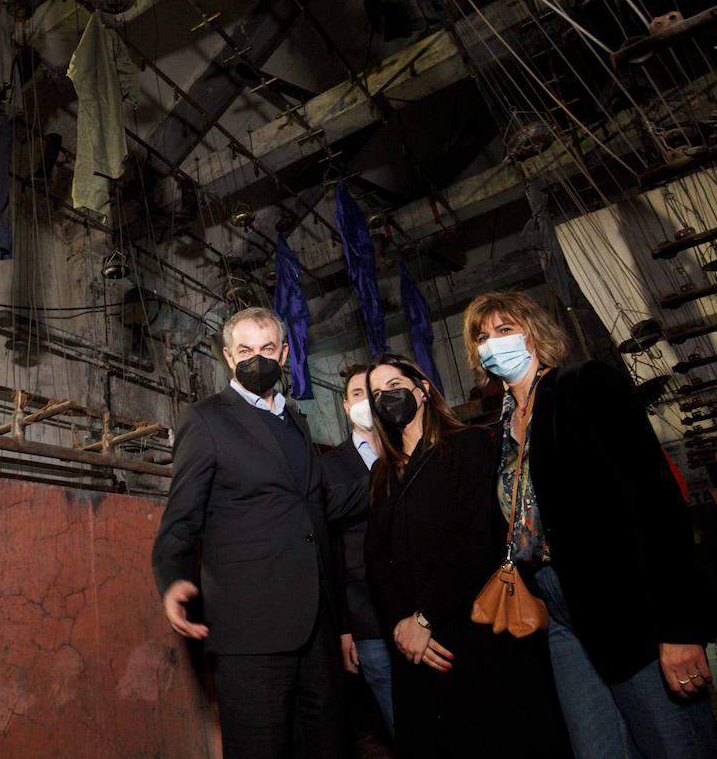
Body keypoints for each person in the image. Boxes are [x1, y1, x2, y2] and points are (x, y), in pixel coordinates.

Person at [461, 291, 717, 759]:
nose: (491, 345)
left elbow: (655, 505)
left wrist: (678, 627)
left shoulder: (583, 386)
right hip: (560, 616)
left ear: (535, 333)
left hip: (628, 604)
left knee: (674, 746)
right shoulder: (503, 431)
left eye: (504, 331)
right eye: (482, 337)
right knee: (597, 749)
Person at [152, 307, 368, 759]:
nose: (257, 358)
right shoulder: (206, 419)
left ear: (284, 354)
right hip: (250, 632)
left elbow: (316, 503)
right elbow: (182, 517)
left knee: (328, 745)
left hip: (316, 628)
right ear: (229, 358)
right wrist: (172, 578)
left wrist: (391, 473)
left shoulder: (296, 421)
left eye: (267, 349)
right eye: (246, 350)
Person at [362, 354, 568, 758]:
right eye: (376, 394)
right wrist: (402, 629)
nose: (386, 398)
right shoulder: (381, 473)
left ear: (421, 392)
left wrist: (425, 618)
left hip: (469, 633)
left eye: (394, 387)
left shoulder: (467, 445)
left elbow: (476, 540)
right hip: (412, 646)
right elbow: (375, 560)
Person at [320, 364, 394, 738]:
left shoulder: (414, 447)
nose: (367, 401)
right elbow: (332, 552)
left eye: (373, 391)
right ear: (346, 408)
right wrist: (344, 630)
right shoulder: (328, 467)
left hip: (425, 607)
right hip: (367, 618)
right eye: (357, 394)